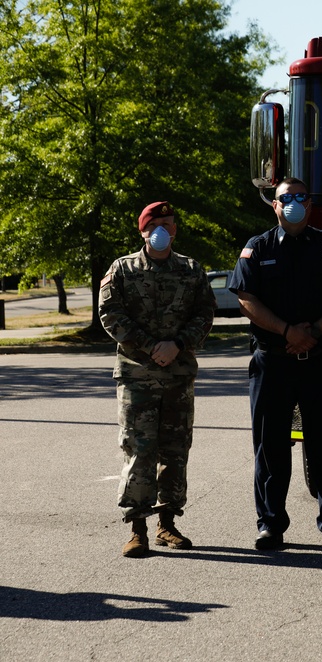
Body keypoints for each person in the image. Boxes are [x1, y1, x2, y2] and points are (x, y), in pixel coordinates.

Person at [229, 178, 322, 551]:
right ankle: (271, 525)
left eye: (301, 197)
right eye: (286, 198)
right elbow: (246, 299)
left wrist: (313, 330)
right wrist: (287, 331)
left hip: (320, 359)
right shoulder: (257, 247)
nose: (294, 204)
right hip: (273, 362)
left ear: (310, 204)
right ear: (275, 205)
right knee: (270, 447)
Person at [99, 201, 215, 558]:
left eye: (168, 222)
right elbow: (109, 313)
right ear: (143, 230)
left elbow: (205, 313)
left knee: (176, 450)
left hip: (178, 374)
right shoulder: (123, 269)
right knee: (139, 449)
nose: (162, 228)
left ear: (175, 229)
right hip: (138, 375)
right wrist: (152, 347)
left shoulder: (191, 270)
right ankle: (138, 529)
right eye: (155, 223)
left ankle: (167, 524)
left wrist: (177, 345)